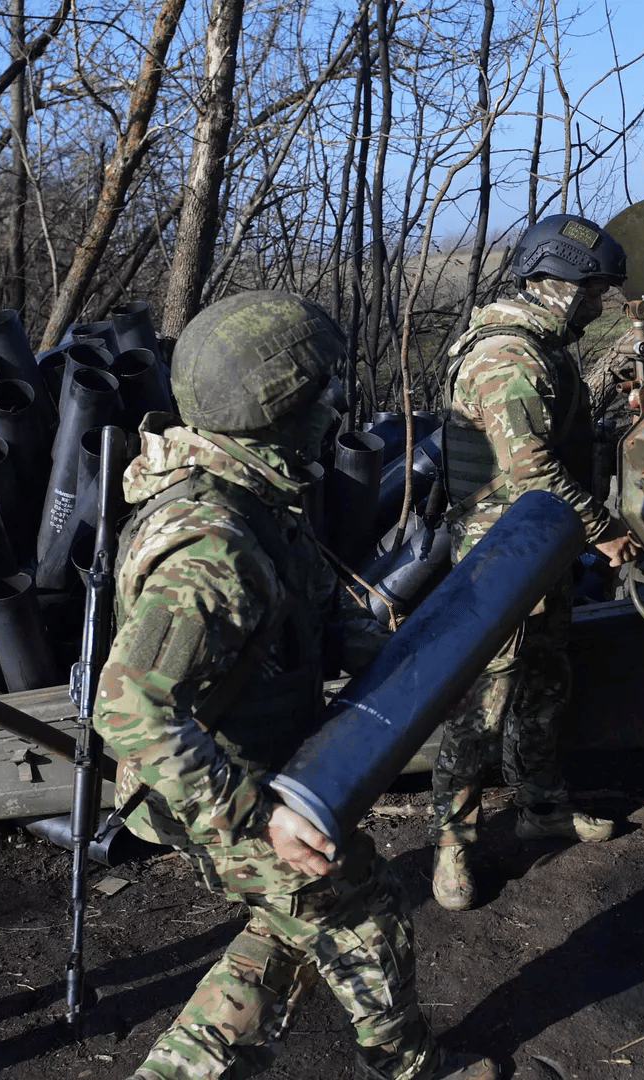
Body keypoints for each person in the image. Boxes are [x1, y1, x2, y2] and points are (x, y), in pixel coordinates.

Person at [96, 291, 493, 1080]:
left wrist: (403, 649)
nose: (338, 406)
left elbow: (301, 616)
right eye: (323, 393)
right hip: (219, 789)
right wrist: (260, 819)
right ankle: (411, 1067)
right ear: (278, 408)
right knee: (359, 905)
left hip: (251, 766)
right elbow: (130, 706)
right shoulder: (213, 545)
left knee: (294, 922)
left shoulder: (254, 493)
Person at [429, 214, 643, 912]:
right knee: (480, 699)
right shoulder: (509, 357)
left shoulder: (542, 345)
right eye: (593, 292)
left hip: (537, 545)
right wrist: (604, 530)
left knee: (547, 676)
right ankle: (452, 844)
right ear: (559, 282)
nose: (597, 305)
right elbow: (532, 472)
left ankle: (540, 803)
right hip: (501, 555)